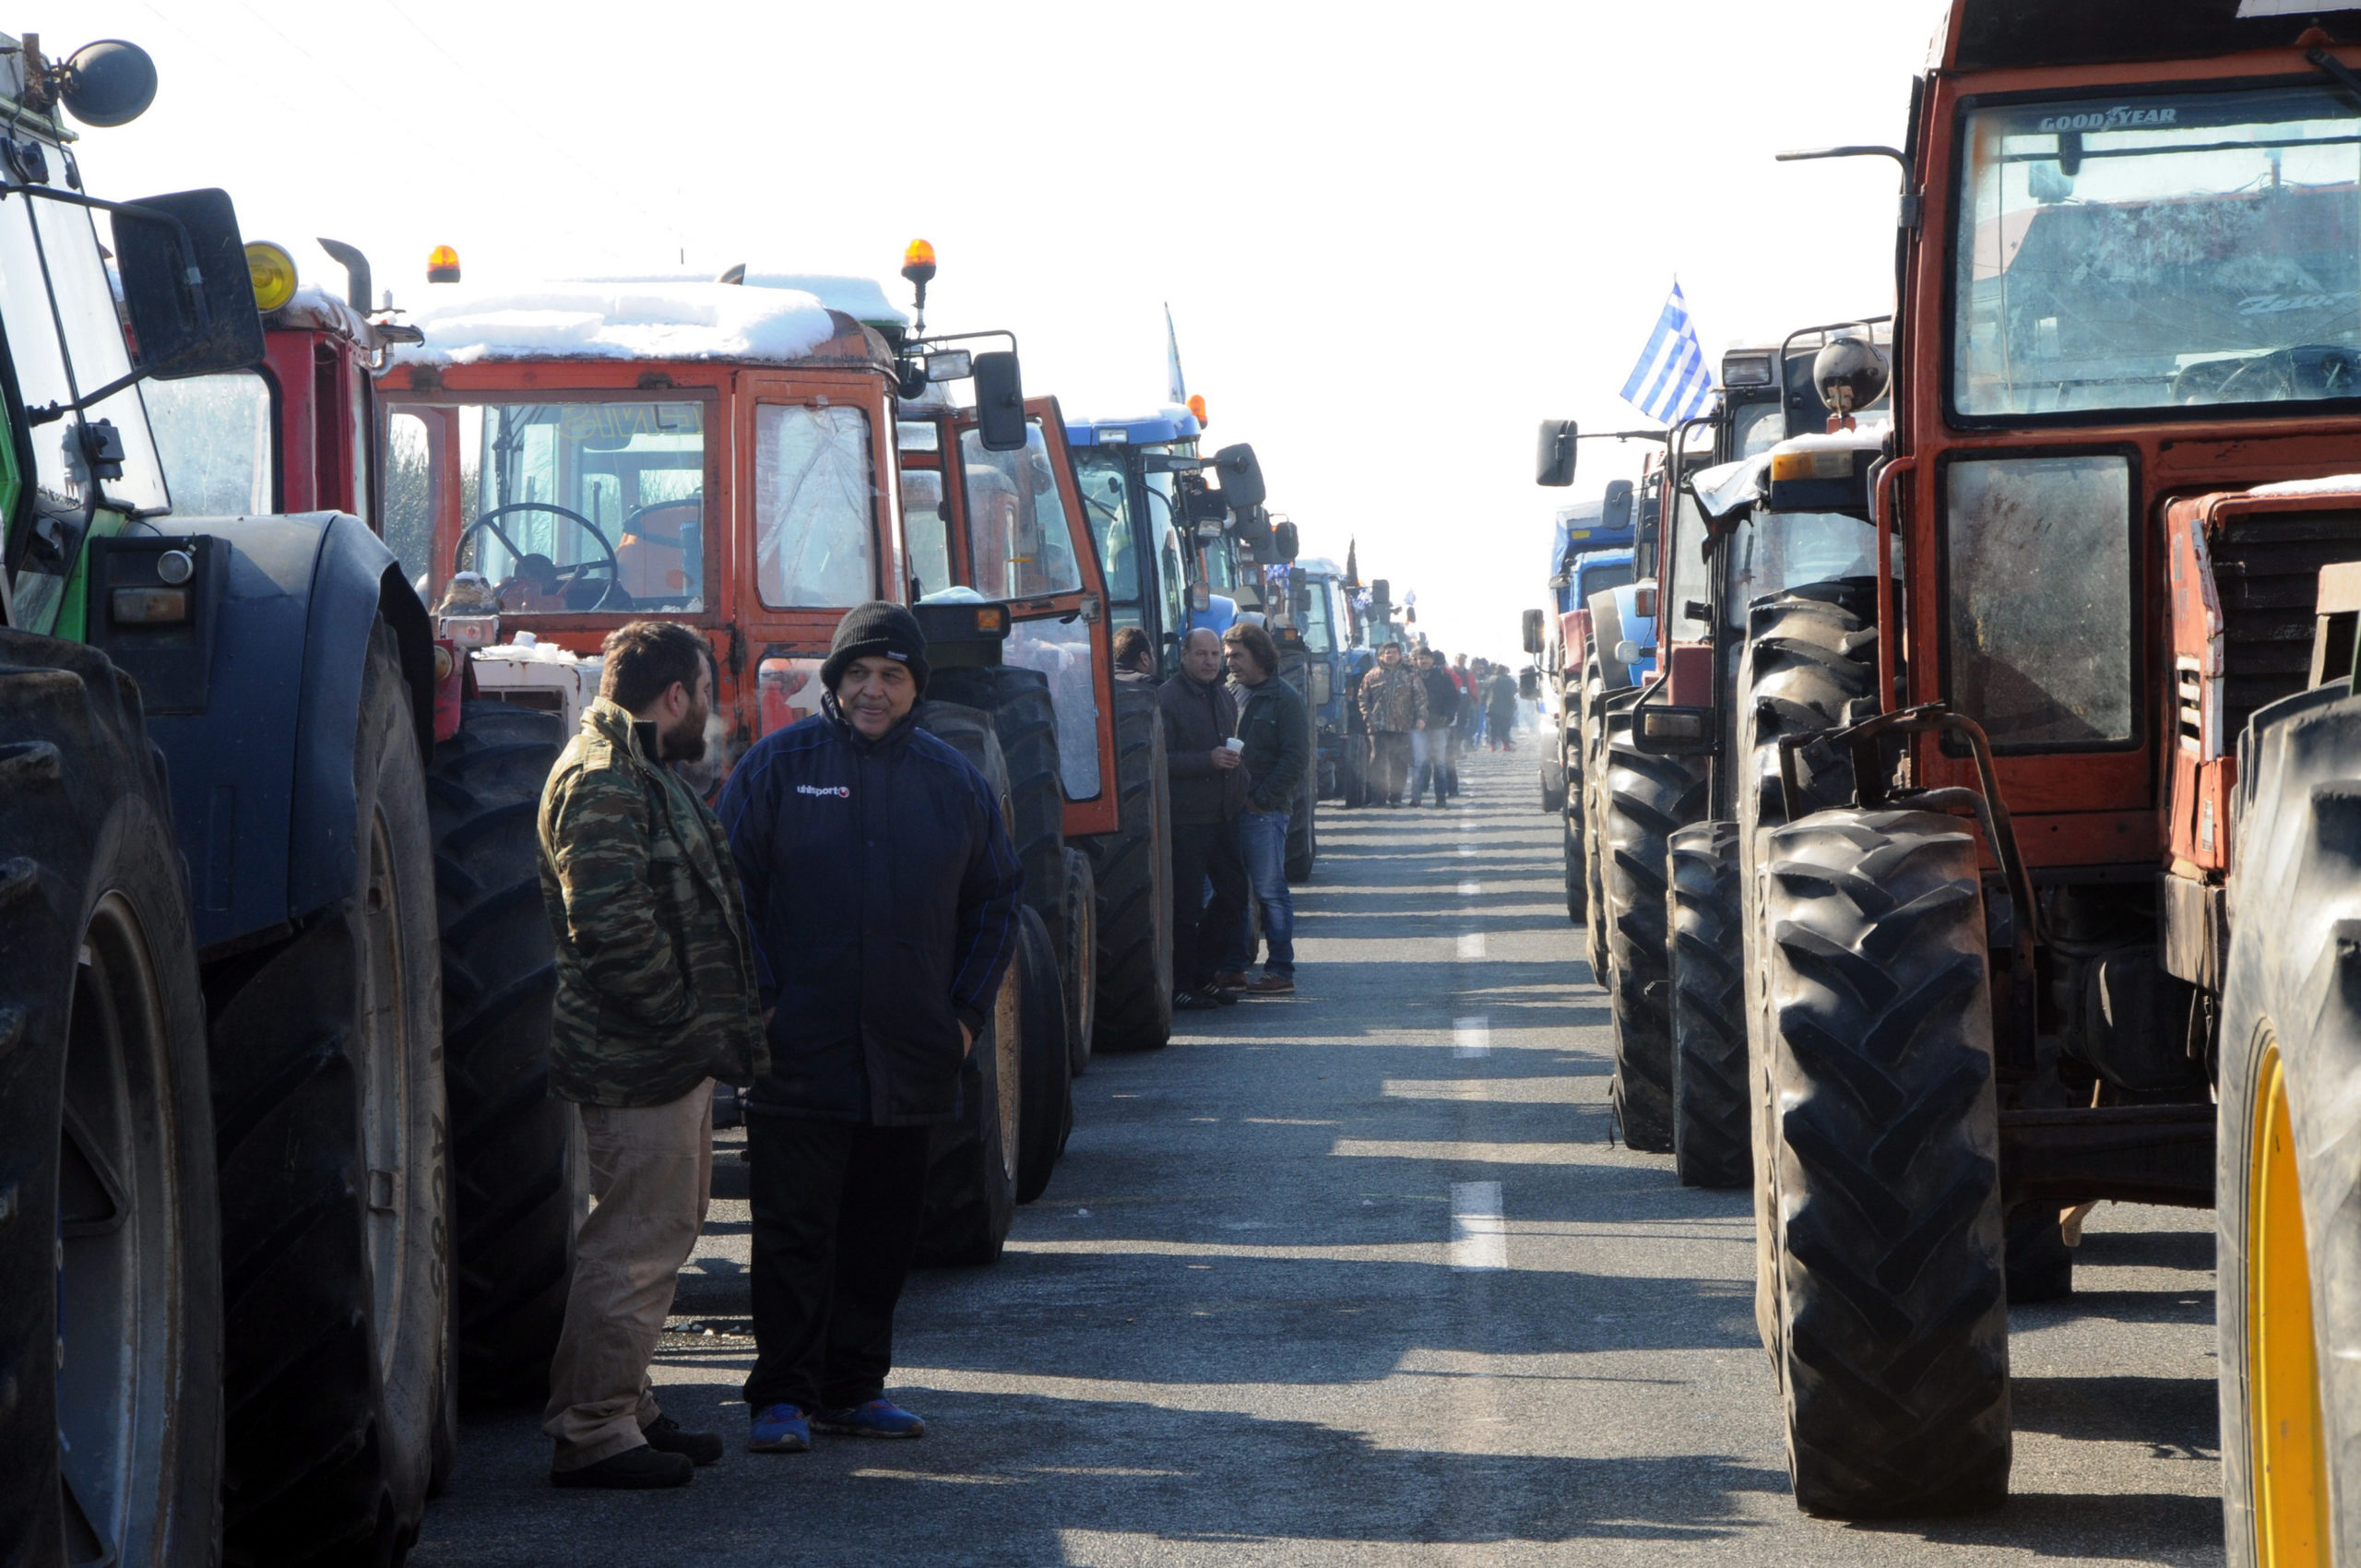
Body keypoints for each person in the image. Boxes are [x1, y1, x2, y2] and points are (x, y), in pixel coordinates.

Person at [718, 602, 1023, 1455]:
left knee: (883, 1233)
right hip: (799, 1050)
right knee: (794, 1231)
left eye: (890, 675)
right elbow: (728, 892)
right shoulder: (777, 768)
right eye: (858, 674)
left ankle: (855, 1387)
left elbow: (998, 899)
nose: (872, 690)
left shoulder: (951, 779)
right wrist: (765, 1001)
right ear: (835, 682)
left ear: (915, 687)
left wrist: (963, 1016)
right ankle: (781, 1395)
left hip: (912, 1053)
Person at [537, 622, 765, 1491]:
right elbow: (612, 929)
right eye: (705, 692)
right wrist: (680, 1023)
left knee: (658, 1234)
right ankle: (593, 1429)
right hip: (641, 1060)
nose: (710, 709)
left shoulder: (638, 768)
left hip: (664, 1057)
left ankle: (625, 1406)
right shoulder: (604, 781)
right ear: (677, 695)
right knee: (633, 1243)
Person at [1160, 626, 1250, 1009]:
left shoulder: (1224, 696)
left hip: (1223, 815)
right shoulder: (1166, 699)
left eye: (1216, 655)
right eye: (1202, 654)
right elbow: (1158, 762)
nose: (1211, 661)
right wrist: (1207, 760)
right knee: (1186, 907)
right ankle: (1180, 985)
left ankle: (1203, 974)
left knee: (1233, 895)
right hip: (1187, 819)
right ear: (1184, 656)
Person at [1221, 621, 1309, 994]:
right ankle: (1235, 967)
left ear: (1258, 655)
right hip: (1228, 811)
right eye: (1227, 656)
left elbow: (1295, 758)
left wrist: (1262, 800)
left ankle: (1280, 971)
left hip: (1264, 812)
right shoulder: (1228, 692)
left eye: (1236, 656)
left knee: (1270, 891)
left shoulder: (1284, 698)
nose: (1230, 663)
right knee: (1233, 891)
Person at [1358, 639, 1427, 807]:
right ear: (1381, 656)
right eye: (1387, 652)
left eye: (1394, 652)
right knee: (1377, 762)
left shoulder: (1410, 674)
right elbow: (1362, 698)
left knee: (1399, 762)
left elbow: (1420, 698)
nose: (1390, 655)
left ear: (1400, 655)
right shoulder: (1371, 675)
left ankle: (1396, 797)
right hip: (1378, 726)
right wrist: (1367, 717)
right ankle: (1378, 798)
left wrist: (1421, 718)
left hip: (1402, 726)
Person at [1412, 647, 1459, 808]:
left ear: (1432, 660)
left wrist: (1448, 716)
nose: (1423, 661)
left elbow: (1453, 698)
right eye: (1421, 658)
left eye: (1426, 658)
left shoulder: (1443, 677)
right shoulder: (1411, 677)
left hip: (1438, 725)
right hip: (1417, 725)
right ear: (1416, 661)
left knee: (1439, 763)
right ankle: (1416, 799)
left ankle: (1441, 798)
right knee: (1419, 762)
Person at [1487, 661, 1521, 750]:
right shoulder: (1509, 680)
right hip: (1505, 709)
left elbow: (1484, 692)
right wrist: (1513, 705)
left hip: (1492, 707)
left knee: (1493, 727)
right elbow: (1513, 692)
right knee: (1505, 727)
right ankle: (1506, 745)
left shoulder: (1490, 679)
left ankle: (1492, 745)